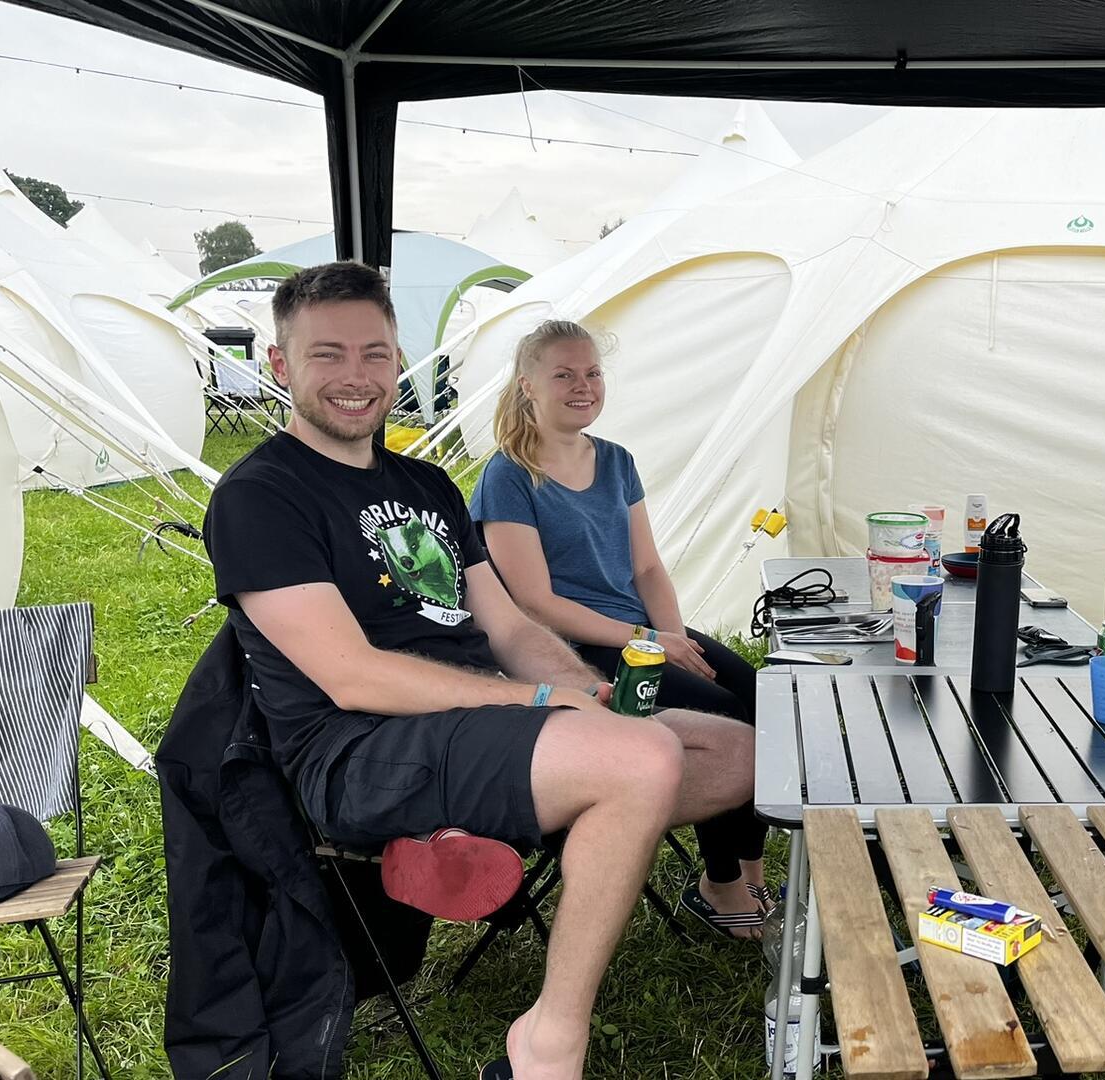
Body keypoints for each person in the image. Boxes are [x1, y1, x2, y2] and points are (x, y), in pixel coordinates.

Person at [204, 262, 756, 1080]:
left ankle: (528, 813)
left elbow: (507, 625)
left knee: (734, 753)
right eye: (327, 355)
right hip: (361, 751)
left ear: (399, 362)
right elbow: (353, 677)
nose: (355, 377)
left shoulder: (426, 484)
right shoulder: (261, 496)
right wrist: (541, 701)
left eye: (374, 354)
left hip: (483, 727)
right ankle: (545, 1044)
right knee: (641, 760)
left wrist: (588, 690)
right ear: (281, 366)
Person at [470, 319, 770, 938]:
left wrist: (674, 637)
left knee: (761, 696)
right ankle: (719, 886)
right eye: (564, 375)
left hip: (638, 632)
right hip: (570, 651)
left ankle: (751, 870)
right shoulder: (509, 476)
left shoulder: (615, 460)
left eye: (592, 373)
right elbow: (535, 601)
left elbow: (647, 566)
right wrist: (650, 643)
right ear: (528, 386)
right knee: (725, 717)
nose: (583, 386)